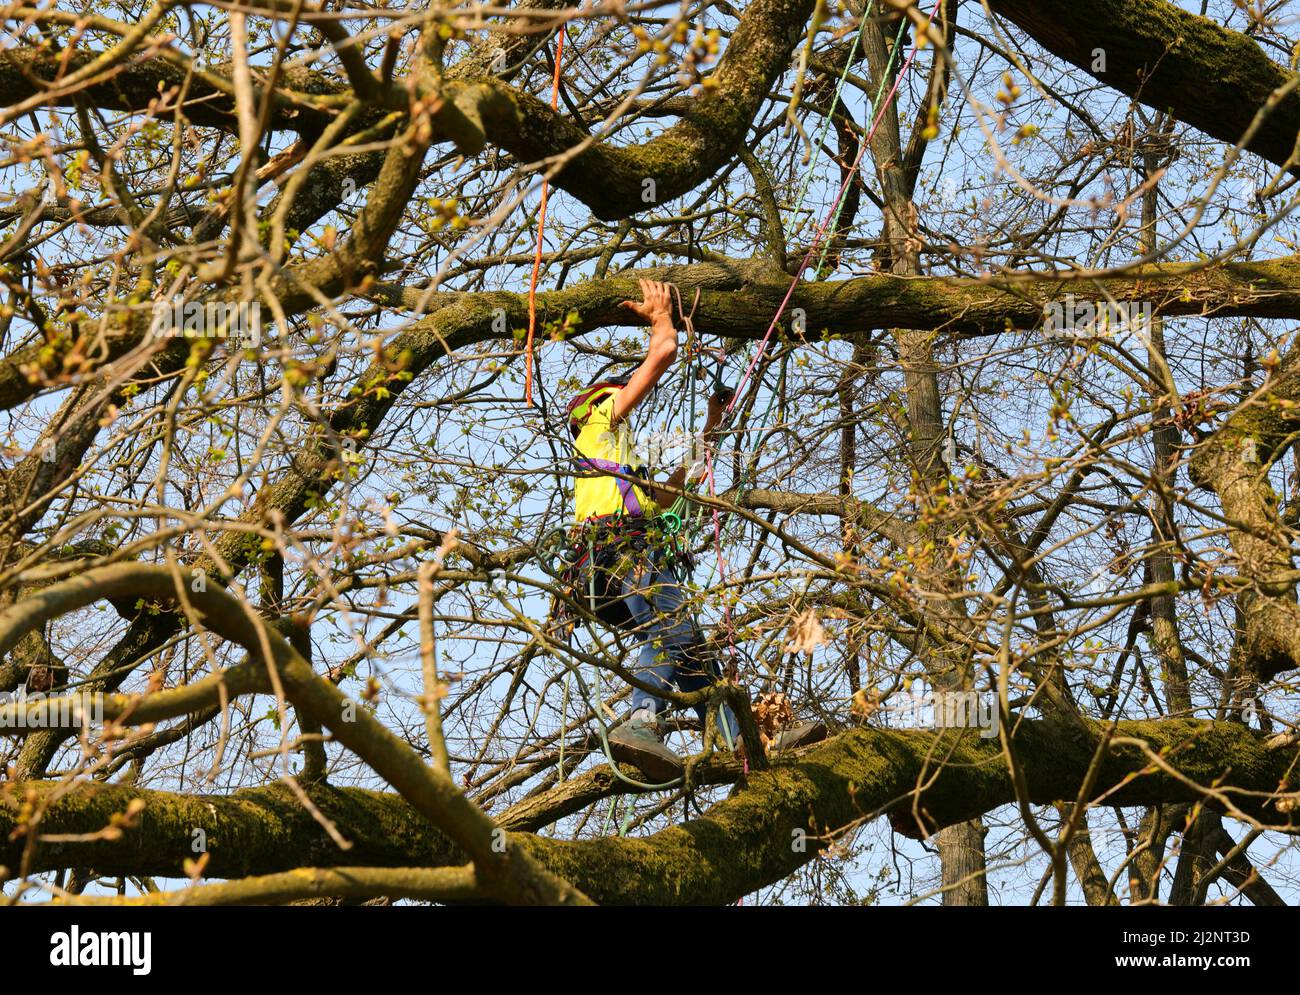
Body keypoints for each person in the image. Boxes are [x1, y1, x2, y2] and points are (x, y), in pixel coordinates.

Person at [566, 279, 824, 781]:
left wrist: (710, 425)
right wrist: (662, 320)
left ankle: (748, 742)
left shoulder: (618, 468)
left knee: (697, 657)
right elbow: (661, 353)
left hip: (627, 561)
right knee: (668, 630)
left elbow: (672, 494)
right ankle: (641, 721)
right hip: (621, 556)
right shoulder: (598, 422)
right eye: (620, 395)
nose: (628, 400)